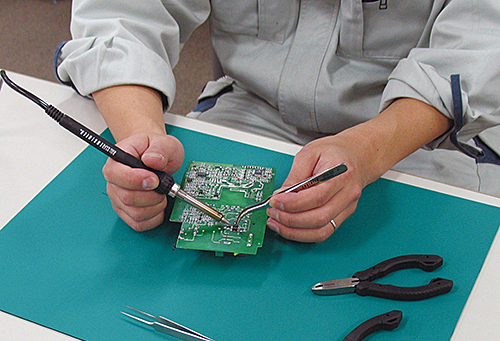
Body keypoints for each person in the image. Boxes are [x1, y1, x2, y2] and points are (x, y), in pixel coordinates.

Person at [55, 0, 500, 242]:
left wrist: (366, 150)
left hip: (422, 133)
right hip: (251, 109)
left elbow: (479, 49)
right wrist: (140, 136)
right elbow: (122, 16)